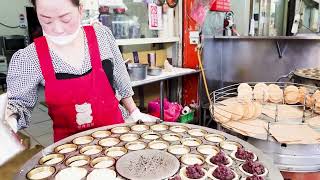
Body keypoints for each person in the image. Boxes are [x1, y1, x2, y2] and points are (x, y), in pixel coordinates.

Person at [5, 0, 150, 142]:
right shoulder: (29, 57)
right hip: (70, 148)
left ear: (80, 9)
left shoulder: (101, 36)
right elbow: (18, 103)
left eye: (65, 18)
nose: (57, 29)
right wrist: (9, 120)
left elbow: (121, 76)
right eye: (46, 20)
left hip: (117, 135)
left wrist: (134, 112)